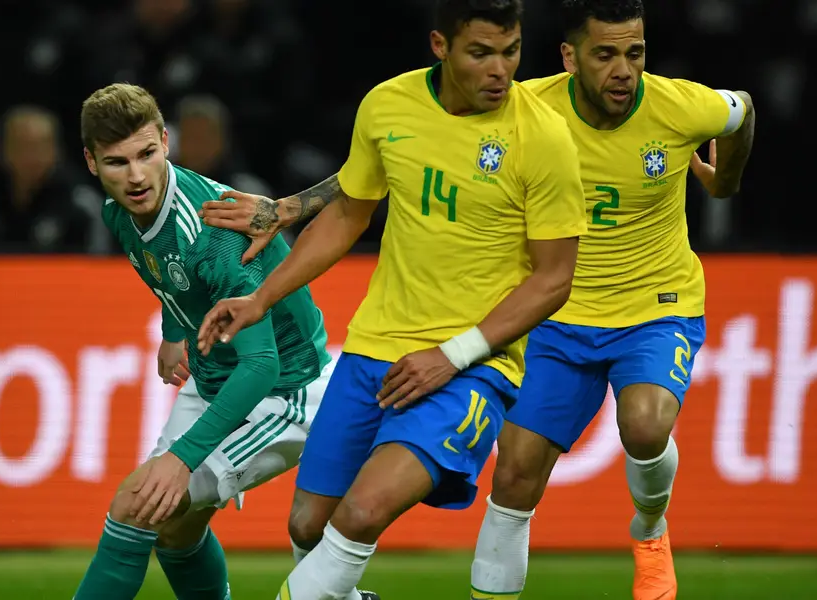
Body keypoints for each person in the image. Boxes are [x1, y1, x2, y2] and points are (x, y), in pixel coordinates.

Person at [202, 2, 757, 598]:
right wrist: (277, 249)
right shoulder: (426, 104)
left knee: (644, 427)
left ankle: (650, 531)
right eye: (605, 54)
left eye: (635, 54)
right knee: (345, 516)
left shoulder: (574, 127)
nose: (623, 71)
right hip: (462, 334)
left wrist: (726, 181)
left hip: (597, 319)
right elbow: (361, 192)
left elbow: (741, 112)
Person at [195, 1, 588, 598]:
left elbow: (554, 279)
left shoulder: (543, 136)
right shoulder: (387, 106)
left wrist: (453, 356)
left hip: (471, 368)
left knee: (362, 512)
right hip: (373, 350)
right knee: (307, 524)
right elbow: (351, 210)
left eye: (510, 52)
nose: (500, 71)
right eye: (480, 53)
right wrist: (261, 300)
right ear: (440, 45)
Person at [70, 82, 336, 600]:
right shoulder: (119, 215)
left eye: (147, 154)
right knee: (174, 528)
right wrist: (174, 332)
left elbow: (261, 364)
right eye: (117, 162)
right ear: (90, 162)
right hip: (215, 377)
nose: (137, 176)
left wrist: (183, 457)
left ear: (166, 141)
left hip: (283, 392)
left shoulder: (213, 232)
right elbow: (170, 280)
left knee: (135, 504)